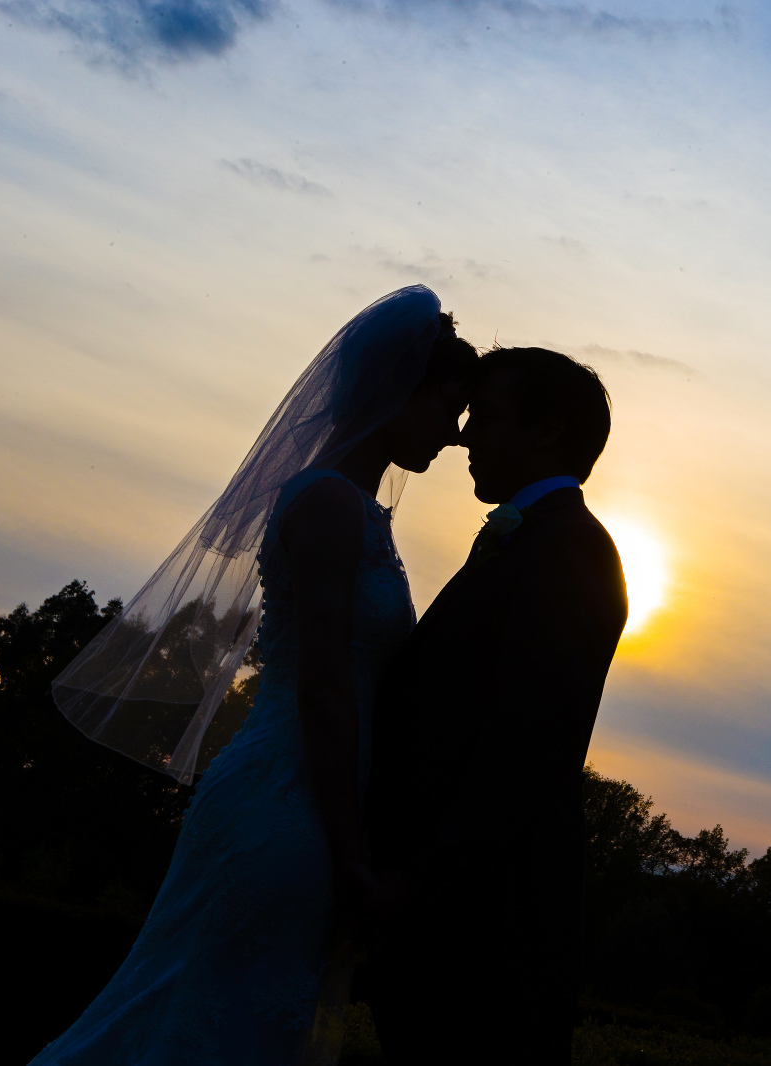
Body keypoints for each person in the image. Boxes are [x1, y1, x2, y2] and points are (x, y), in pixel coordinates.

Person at [36, 286, 478, 1066]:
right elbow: (324, 689)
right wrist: (350, 853)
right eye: (448, 408)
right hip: (288, 805)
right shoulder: (330, 507)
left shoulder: (359, 512)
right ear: (401, 392)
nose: (454, 434)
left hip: (312, 798)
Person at [364, 347, 629, 1065]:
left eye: (484, 417)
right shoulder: (532, 542)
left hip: (483, 936)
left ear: (546, 432)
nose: (463, 436)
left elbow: (525, 751)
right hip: (458, 924)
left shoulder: (570, 549)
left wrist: (416, 889)